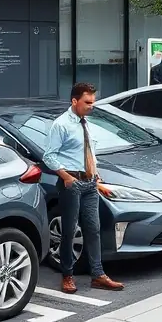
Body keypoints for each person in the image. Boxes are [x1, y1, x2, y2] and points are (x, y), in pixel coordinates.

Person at [43, 82, 124, 295]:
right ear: (74, 101)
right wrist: (66, 177)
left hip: (89, 183)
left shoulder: (84, 122)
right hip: (72, 183)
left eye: (93, 102)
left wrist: (96, 177)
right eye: (87, 102)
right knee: (69, 231)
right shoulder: (61, 124)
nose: (91, 106)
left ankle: (98, 275)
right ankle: (67, 276)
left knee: (93, 229)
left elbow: (87, 152)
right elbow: (49, 156)